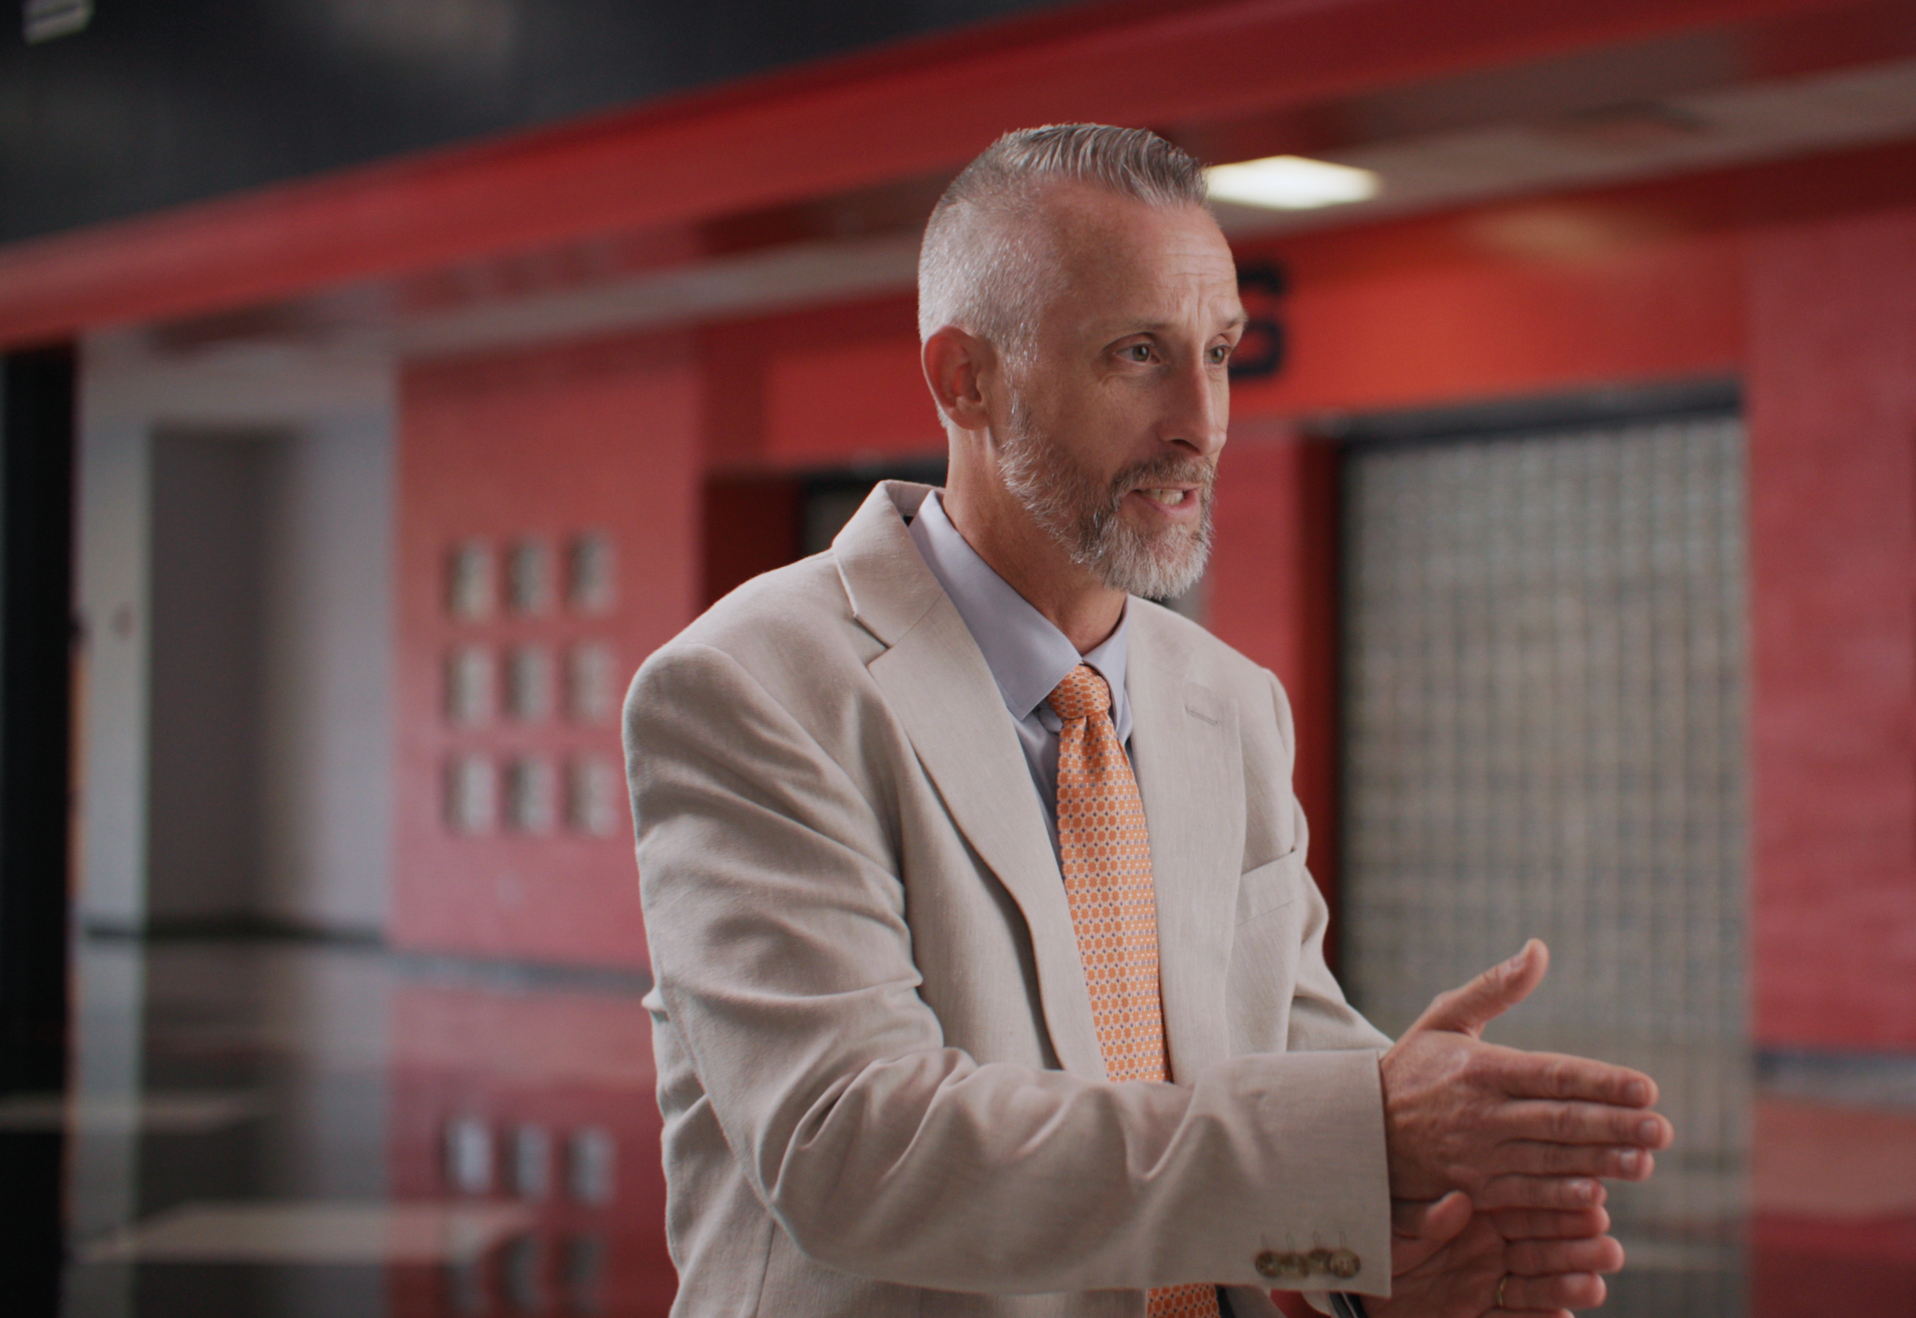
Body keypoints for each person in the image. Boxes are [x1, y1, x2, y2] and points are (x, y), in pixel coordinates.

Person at [625, 124, 1671, 1318]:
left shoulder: (1231, 705)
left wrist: (1386, 1254)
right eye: (1138, 354)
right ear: (965, 377)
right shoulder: (752, 687)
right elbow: (856, 1148)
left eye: (1219, 353)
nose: (1202, 421)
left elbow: (1281, 1078)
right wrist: (1360, 1132)